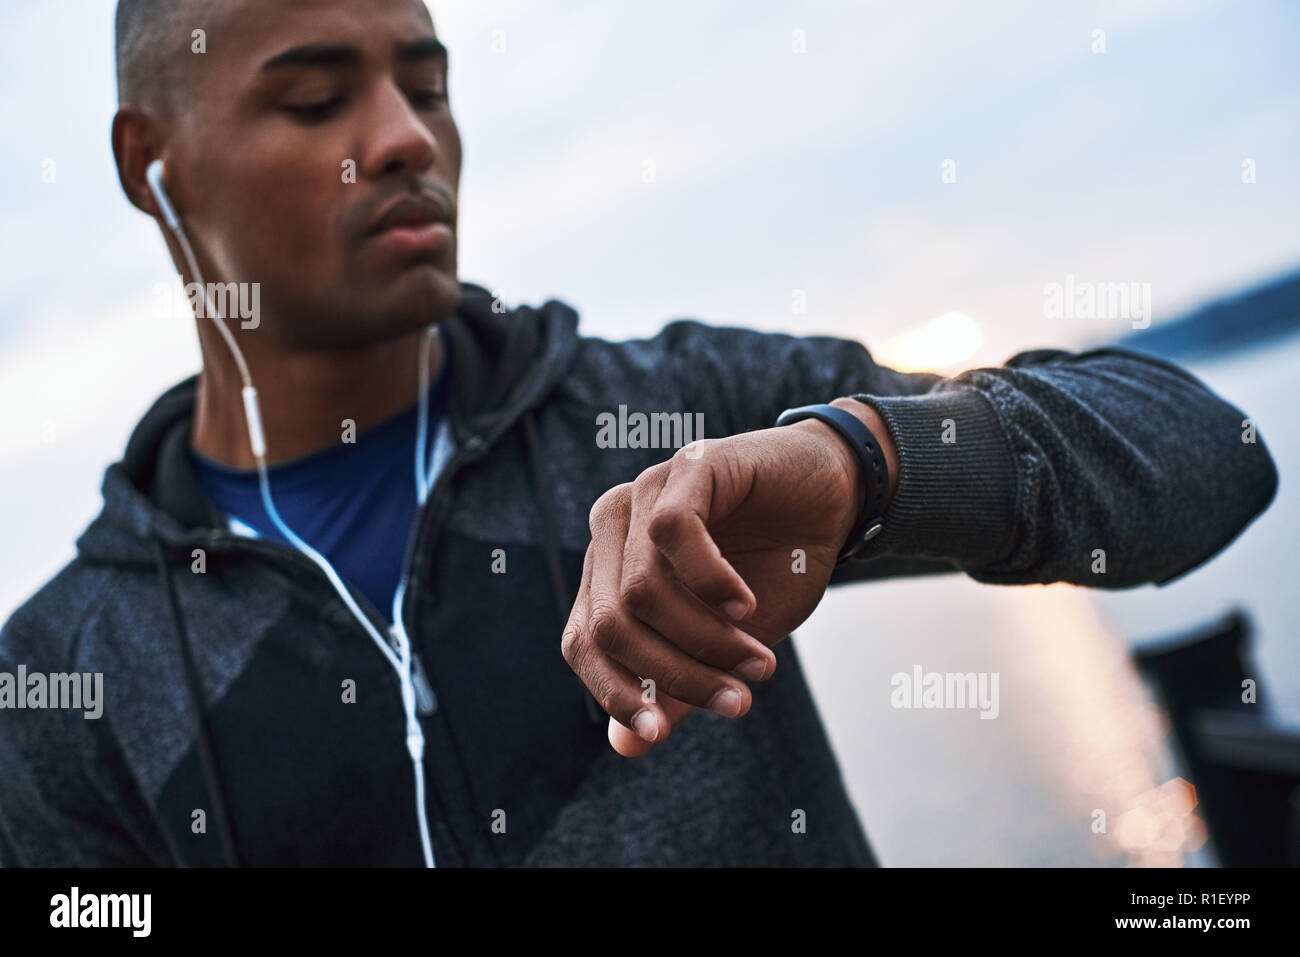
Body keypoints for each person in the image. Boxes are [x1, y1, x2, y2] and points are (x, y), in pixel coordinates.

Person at [0, 0, 1278, 867]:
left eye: (427, 86)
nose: (404, 139)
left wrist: (863, 465)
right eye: (318, 99)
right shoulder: (69, 675)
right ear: (149, 162)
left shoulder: (677, 417)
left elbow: (1211, 453)